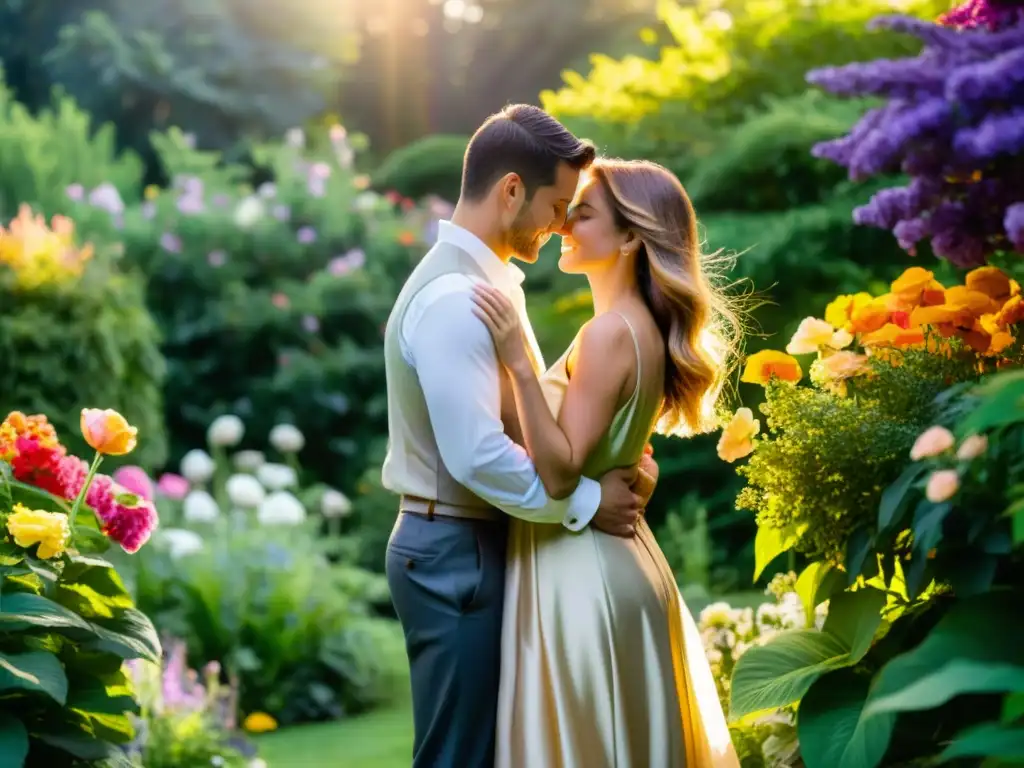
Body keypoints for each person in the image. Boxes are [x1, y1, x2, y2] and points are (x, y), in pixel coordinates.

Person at [381, 105, 660, 768]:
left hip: (471, 546)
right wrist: (585, 504)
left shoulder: (488, 284)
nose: (562, 223)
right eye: (558, 205)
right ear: (511, 192)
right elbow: (477, 454)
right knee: (460, 755)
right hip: (454, 553)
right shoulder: (456, 298)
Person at [471, 158, 742, 767]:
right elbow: (606, 446)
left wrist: (516, 358)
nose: (564, 225)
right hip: (615, 561)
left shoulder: (609, 333)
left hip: (582, 572)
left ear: (629, 238)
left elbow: (561, 469)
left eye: (583, 214)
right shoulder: (634, 327)